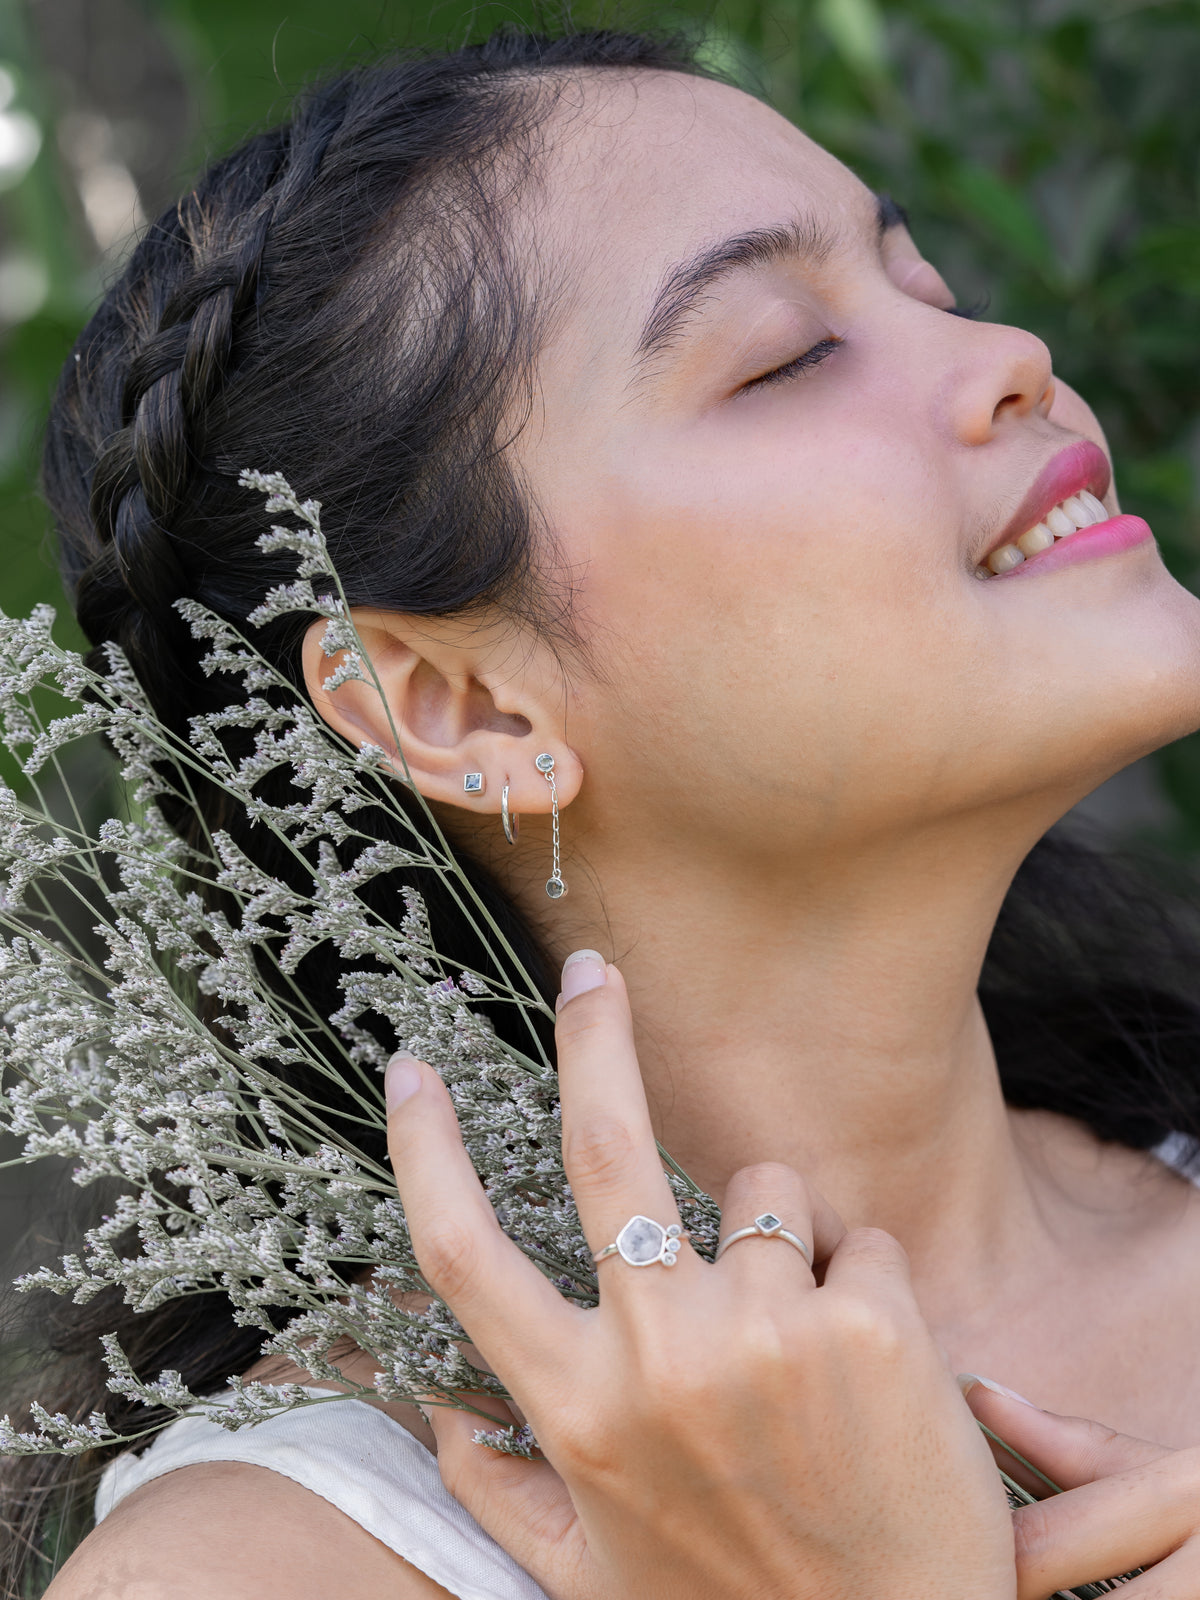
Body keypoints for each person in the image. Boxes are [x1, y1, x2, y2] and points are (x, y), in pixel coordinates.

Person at [9, 23, 1200, 1600]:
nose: (1009, 356)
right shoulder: (275, 1564)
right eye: (783, 356)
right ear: (460, 708)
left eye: (921, 289)